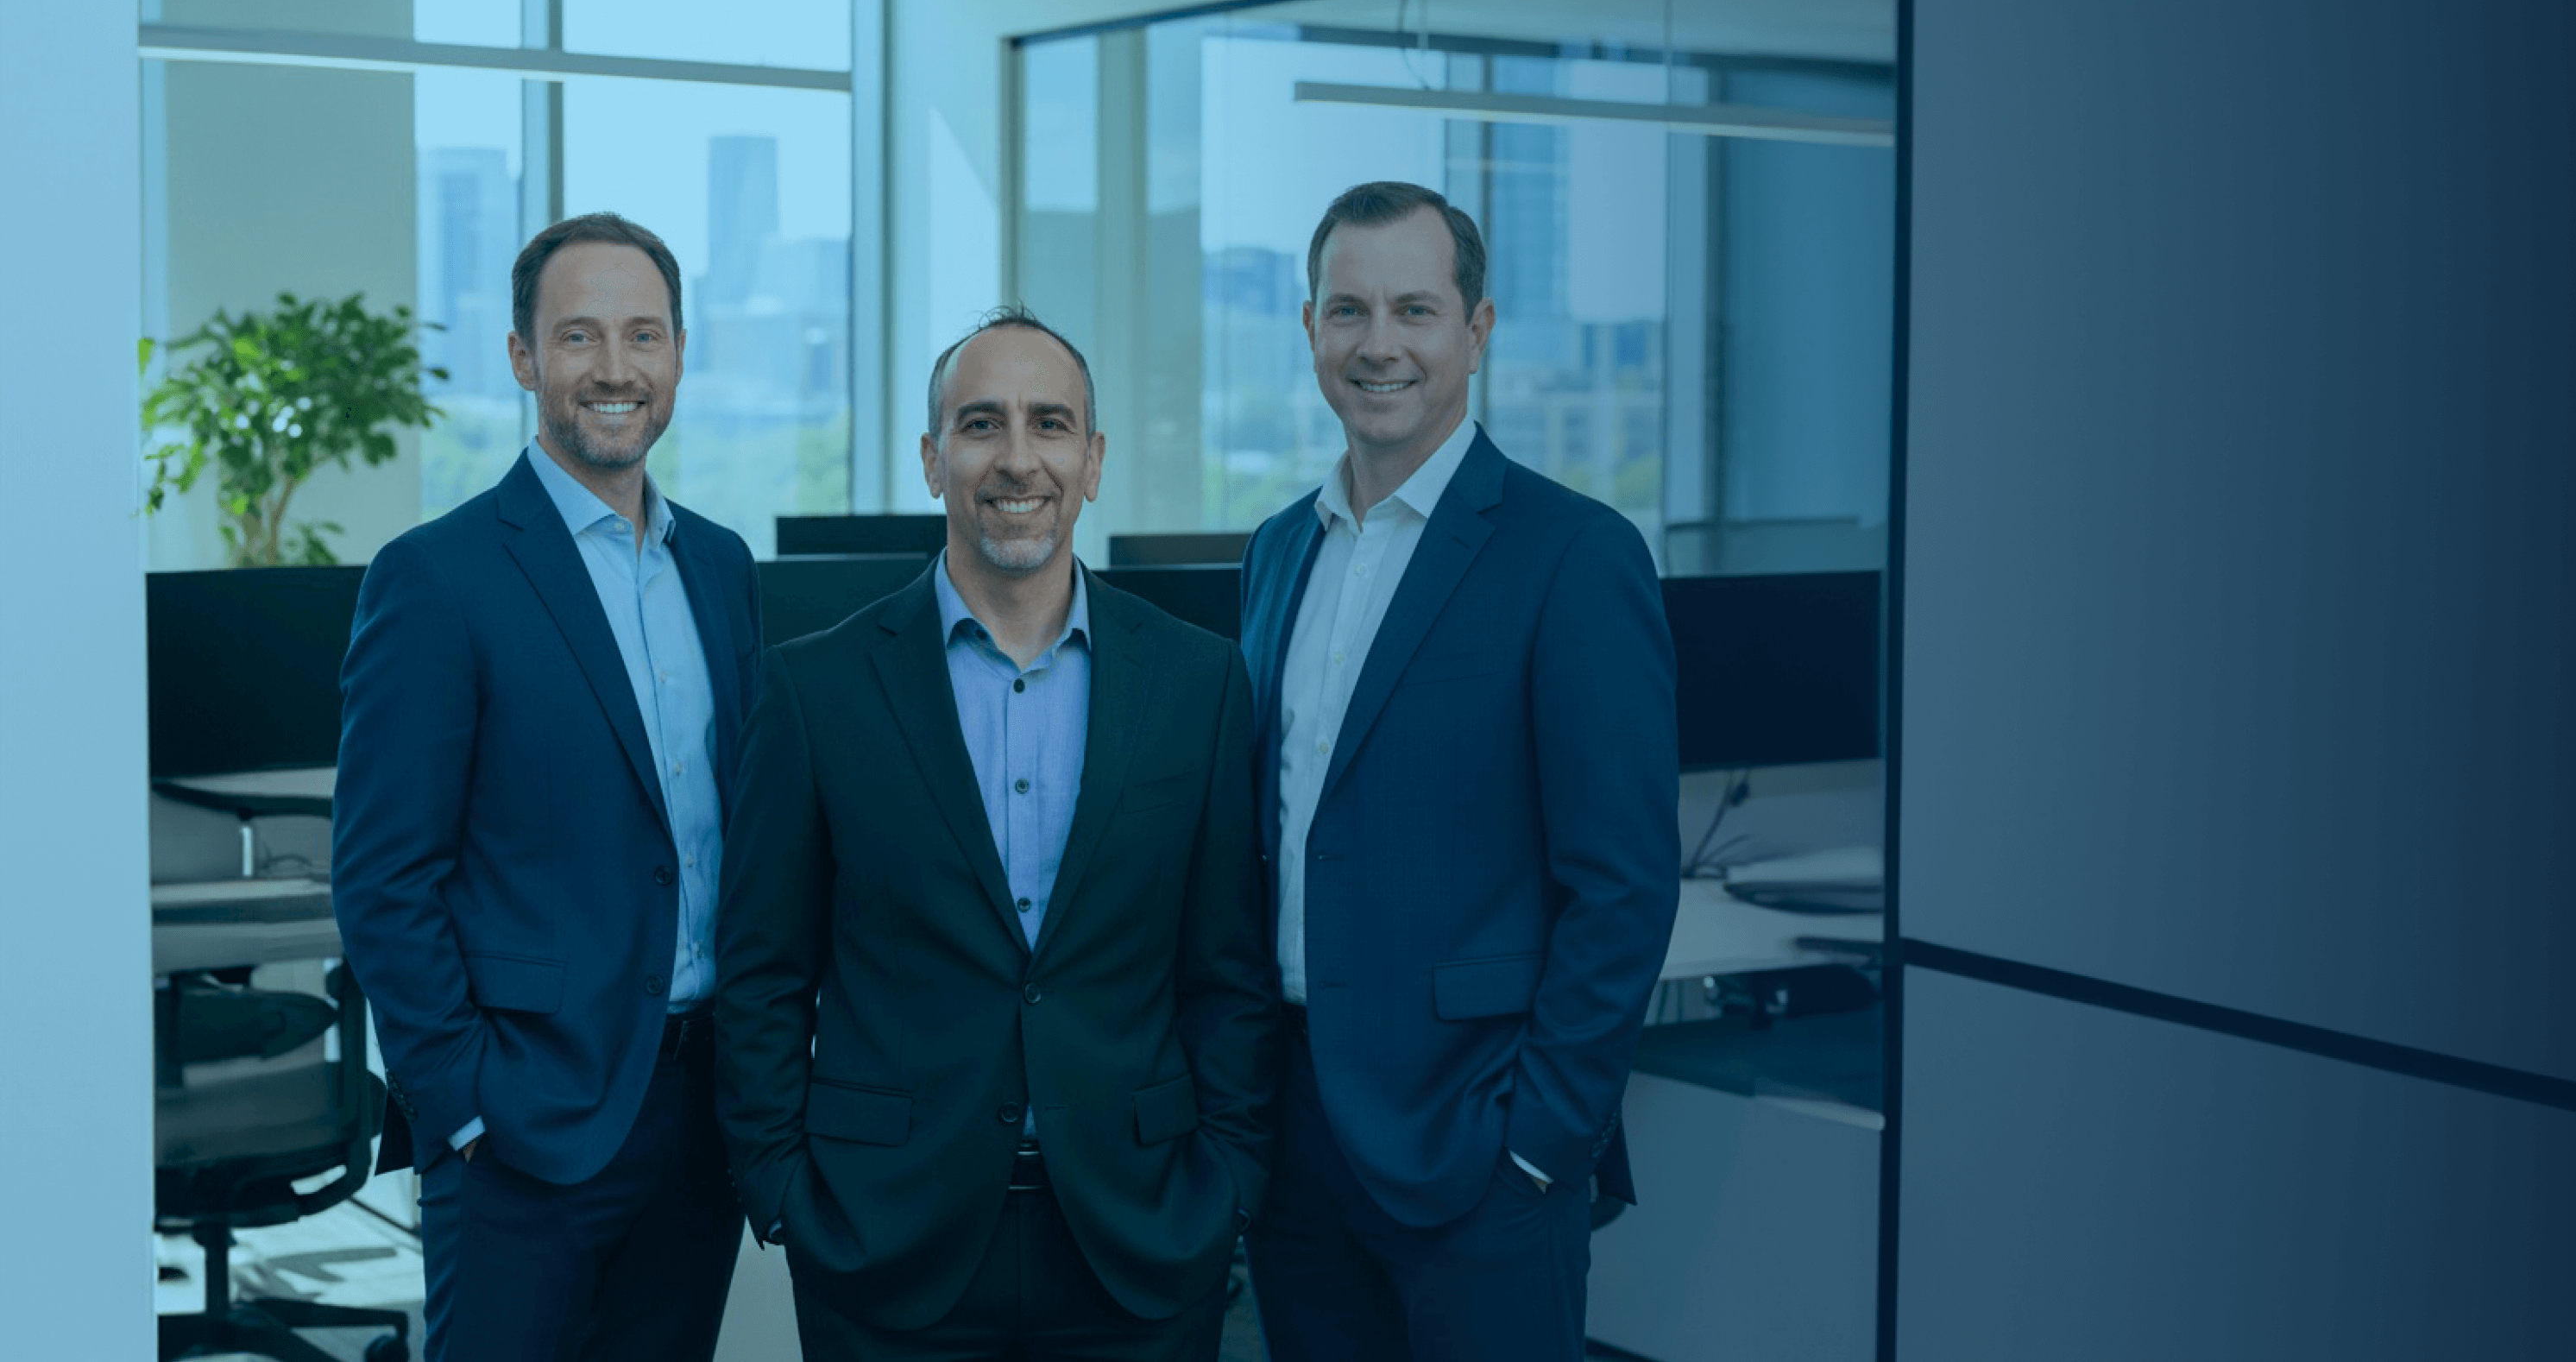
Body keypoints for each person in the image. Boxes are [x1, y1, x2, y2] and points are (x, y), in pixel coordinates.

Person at [716, 308, 1280, 1360]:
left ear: (1094, 459)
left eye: (1050, 424)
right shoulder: (815, 688)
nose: (1017, 459)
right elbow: (763, 972)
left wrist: (1231, 1179)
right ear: (933, 460)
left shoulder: (1199, 681)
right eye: (981, 425)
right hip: (883, 1242)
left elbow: (1227, 970)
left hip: (1141, 1235)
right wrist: (784, 1190)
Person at [1234, 180, 1682, 1361]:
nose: (1378, 344)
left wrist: (1538, 1143)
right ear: (1309, 330)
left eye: (1414, 311)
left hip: (1475, 1148)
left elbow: (1624, 884)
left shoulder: (1573, 555)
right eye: (1347, 311)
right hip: (1295, 1143)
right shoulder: (1278, 550)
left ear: (1475, 332)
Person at [332, 211, 759, 1362]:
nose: (615, 370)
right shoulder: (437, 578)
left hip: (698, 1113)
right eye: (578, 337)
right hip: (523, 1123)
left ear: (678, 353)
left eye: (643, 335)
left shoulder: (719, 568)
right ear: (523, 358)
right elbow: (382, 878)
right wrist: (461, 1104)